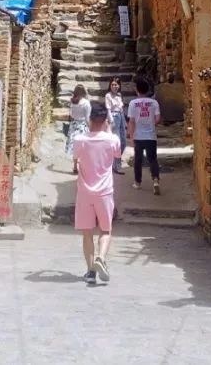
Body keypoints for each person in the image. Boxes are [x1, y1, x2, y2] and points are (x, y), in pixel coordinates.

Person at [71, 101, 120, 284]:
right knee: (105, 230)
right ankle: (101, 257)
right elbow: (117, 155)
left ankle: (91, 272)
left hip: (85, 192)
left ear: (90, 119)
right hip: (105, 192)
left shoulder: (80, 140)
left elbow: (75, 158)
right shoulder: (112, 140)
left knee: (87, 233)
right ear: (105, 119)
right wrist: (108, 129)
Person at [126, 77, 161, 195]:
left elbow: (131, 121)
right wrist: (150, 124)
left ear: (137, 89)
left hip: (138, 136)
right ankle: (155, 180)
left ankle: (137, 182)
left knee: (138, 160)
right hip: (151, 136)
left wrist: (131, 137)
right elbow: (157, 119)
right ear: (148, 89)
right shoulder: (154, 103)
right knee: (152, 159)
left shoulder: (133, 103)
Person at [66, 84, 91, 174]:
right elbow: (87, 118)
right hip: (82, 126)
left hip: (73, 125)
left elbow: (71, 115)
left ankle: (75, 166)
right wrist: (90, 128)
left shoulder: (72, 102)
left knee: (75, 147)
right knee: (83, 147)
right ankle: (82, 166)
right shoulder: (86, 103)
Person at [103, 77, 126, 174]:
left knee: (124, 142)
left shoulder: (119, 95)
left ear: (119, 86)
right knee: (118, 142)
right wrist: (111, 121)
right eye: (112, 84)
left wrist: (124, 121)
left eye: (116, 84)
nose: (114, 86)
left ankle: (113, 161)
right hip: (114, 117)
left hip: (121, 117)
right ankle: (117, 166)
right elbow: (108, 109)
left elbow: (121, 109)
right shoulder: (108, 95)